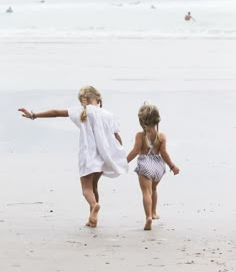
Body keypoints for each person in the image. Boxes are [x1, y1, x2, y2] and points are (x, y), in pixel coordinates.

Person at [18, 86, 128, 228]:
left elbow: (56, 112)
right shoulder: (108, 114)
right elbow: (117, 137)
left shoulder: (80, 112)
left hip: (87, 156)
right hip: (103, 157)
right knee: (94, 186)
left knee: (86, 189)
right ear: (98, 98)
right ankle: (92, 218)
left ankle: (94, 206)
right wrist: (119, 154)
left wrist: (34, 115)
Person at [127, 103, 179, 231]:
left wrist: (123, 162)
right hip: (158, 167)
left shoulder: (140, 135)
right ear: (157, 120)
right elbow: (164, 154)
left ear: (141, 121)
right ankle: (154, 212)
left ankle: (148, 217)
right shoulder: (161, 136)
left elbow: (135, 151)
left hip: (145, 165)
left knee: (146, 192)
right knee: (154, 189)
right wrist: (172, 166)